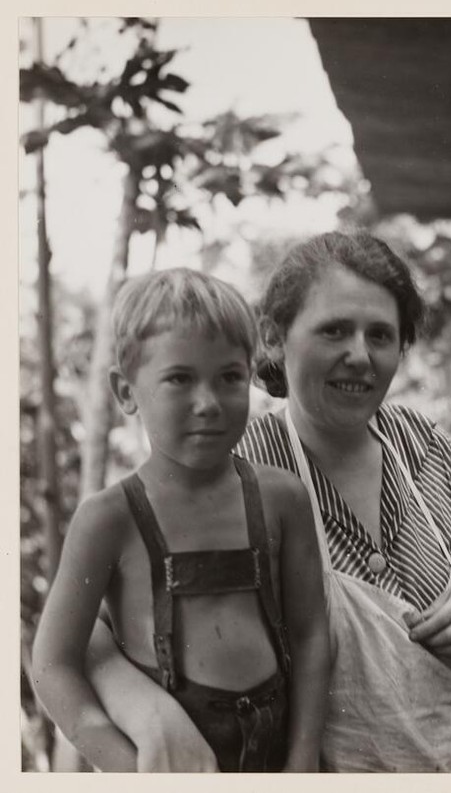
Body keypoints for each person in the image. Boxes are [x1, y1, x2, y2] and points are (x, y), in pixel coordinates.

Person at [84, 231, 451, 772]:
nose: (360, 355)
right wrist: (145, 711)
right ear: (275, 339)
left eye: (380, 335)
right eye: (334, 330)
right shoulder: (239, 466)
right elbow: (96, 624)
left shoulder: (424, 445)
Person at [32, 268, 329, 772]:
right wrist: (127, 767)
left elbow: (310, 635)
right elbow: (52, 665)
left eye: (229, 377)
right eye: (179, 379)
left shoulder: (282, 499)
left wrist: (302, 763)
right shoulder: (108, 519)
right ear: (126, 392)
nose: (208, 403)